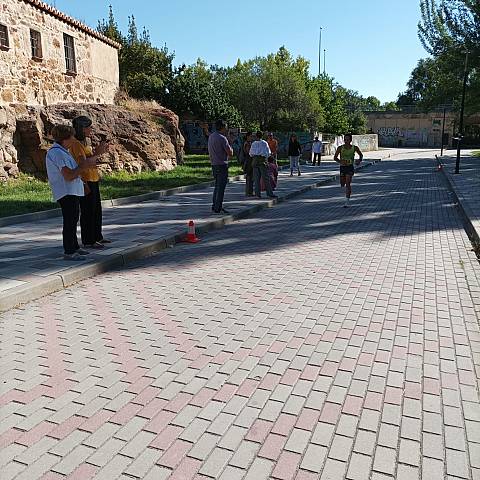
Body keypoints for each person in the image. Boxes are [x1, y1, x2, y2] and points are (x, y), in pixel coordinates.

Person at [46, 125, 97, 261]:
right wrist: (83, 166)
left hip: (72, 191)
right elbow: (68, 175)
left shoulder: (63, 151)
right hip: (65, 191)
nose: (74, 139)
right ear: (66, 138)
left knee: (74, 218)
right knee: (69, 220)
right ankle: (69, 251)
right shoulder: (57, 153)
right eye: (72, 136)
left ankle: (74, 246)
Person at [70, 116, 110, 250]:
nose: (90, 130)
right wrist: (97, 154)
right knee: (88, 210)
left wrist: (99, 153)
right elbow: (82, 163)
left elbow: (89, 159)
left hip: (93, 177)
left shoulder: (84, 142)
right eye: (88, 127)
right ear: (81, 128)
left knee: (96, 210)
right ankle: (88, 240)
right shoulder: (75, 144)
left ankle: (97, 236)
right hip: (85, 179)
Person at [208, 119, 233, 214]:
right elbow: (230, 152)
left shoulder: (211, 137)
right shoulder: (223, 138)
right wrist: (230, 142)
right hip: (222, 164)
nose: (226, 129)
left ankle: (215, 205)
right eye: (226, 127)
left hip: (214, 164)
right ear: (222, 127)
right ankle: (218, 207)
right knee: (221, 187)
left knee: (217, 186)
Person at [334, 133, 364, 207]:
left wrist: (359, 160)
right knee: (342, 183)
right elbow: (335, 158)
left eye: (347, 140)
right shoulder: (340, 148)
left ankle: (347, 201)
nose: (346, 141)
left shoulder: (354, 148)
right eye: (345, 140)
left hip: (350, 167)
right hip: (342, 167)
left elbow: (361, 155)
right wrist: (340, 162)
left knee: (348, 183)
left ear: (350, 140)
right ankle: (343, 184)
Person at [249, 131, 277, 199]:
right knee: (266, 178)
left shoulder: (254, 143)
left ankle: (257, 194)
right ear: (262, 136)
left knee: (256, 179)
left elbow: (251, 153)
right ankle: (269, 193)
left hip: (255, 160)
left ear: (256, 136)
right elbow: (268, 153)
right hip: (262, 161)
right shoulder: (264, 143)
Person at [242, 131, 254, 197]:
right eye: (251, 136)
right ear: (247, 137)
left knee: (251, 177)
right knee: (249, 177)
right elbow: (248, 152)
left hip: (250, 161)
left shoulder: (249, 143)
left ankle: (250, 191)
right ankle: (248, 192)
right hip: (248, 161)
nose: (252, 137)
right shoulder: (247, 143)